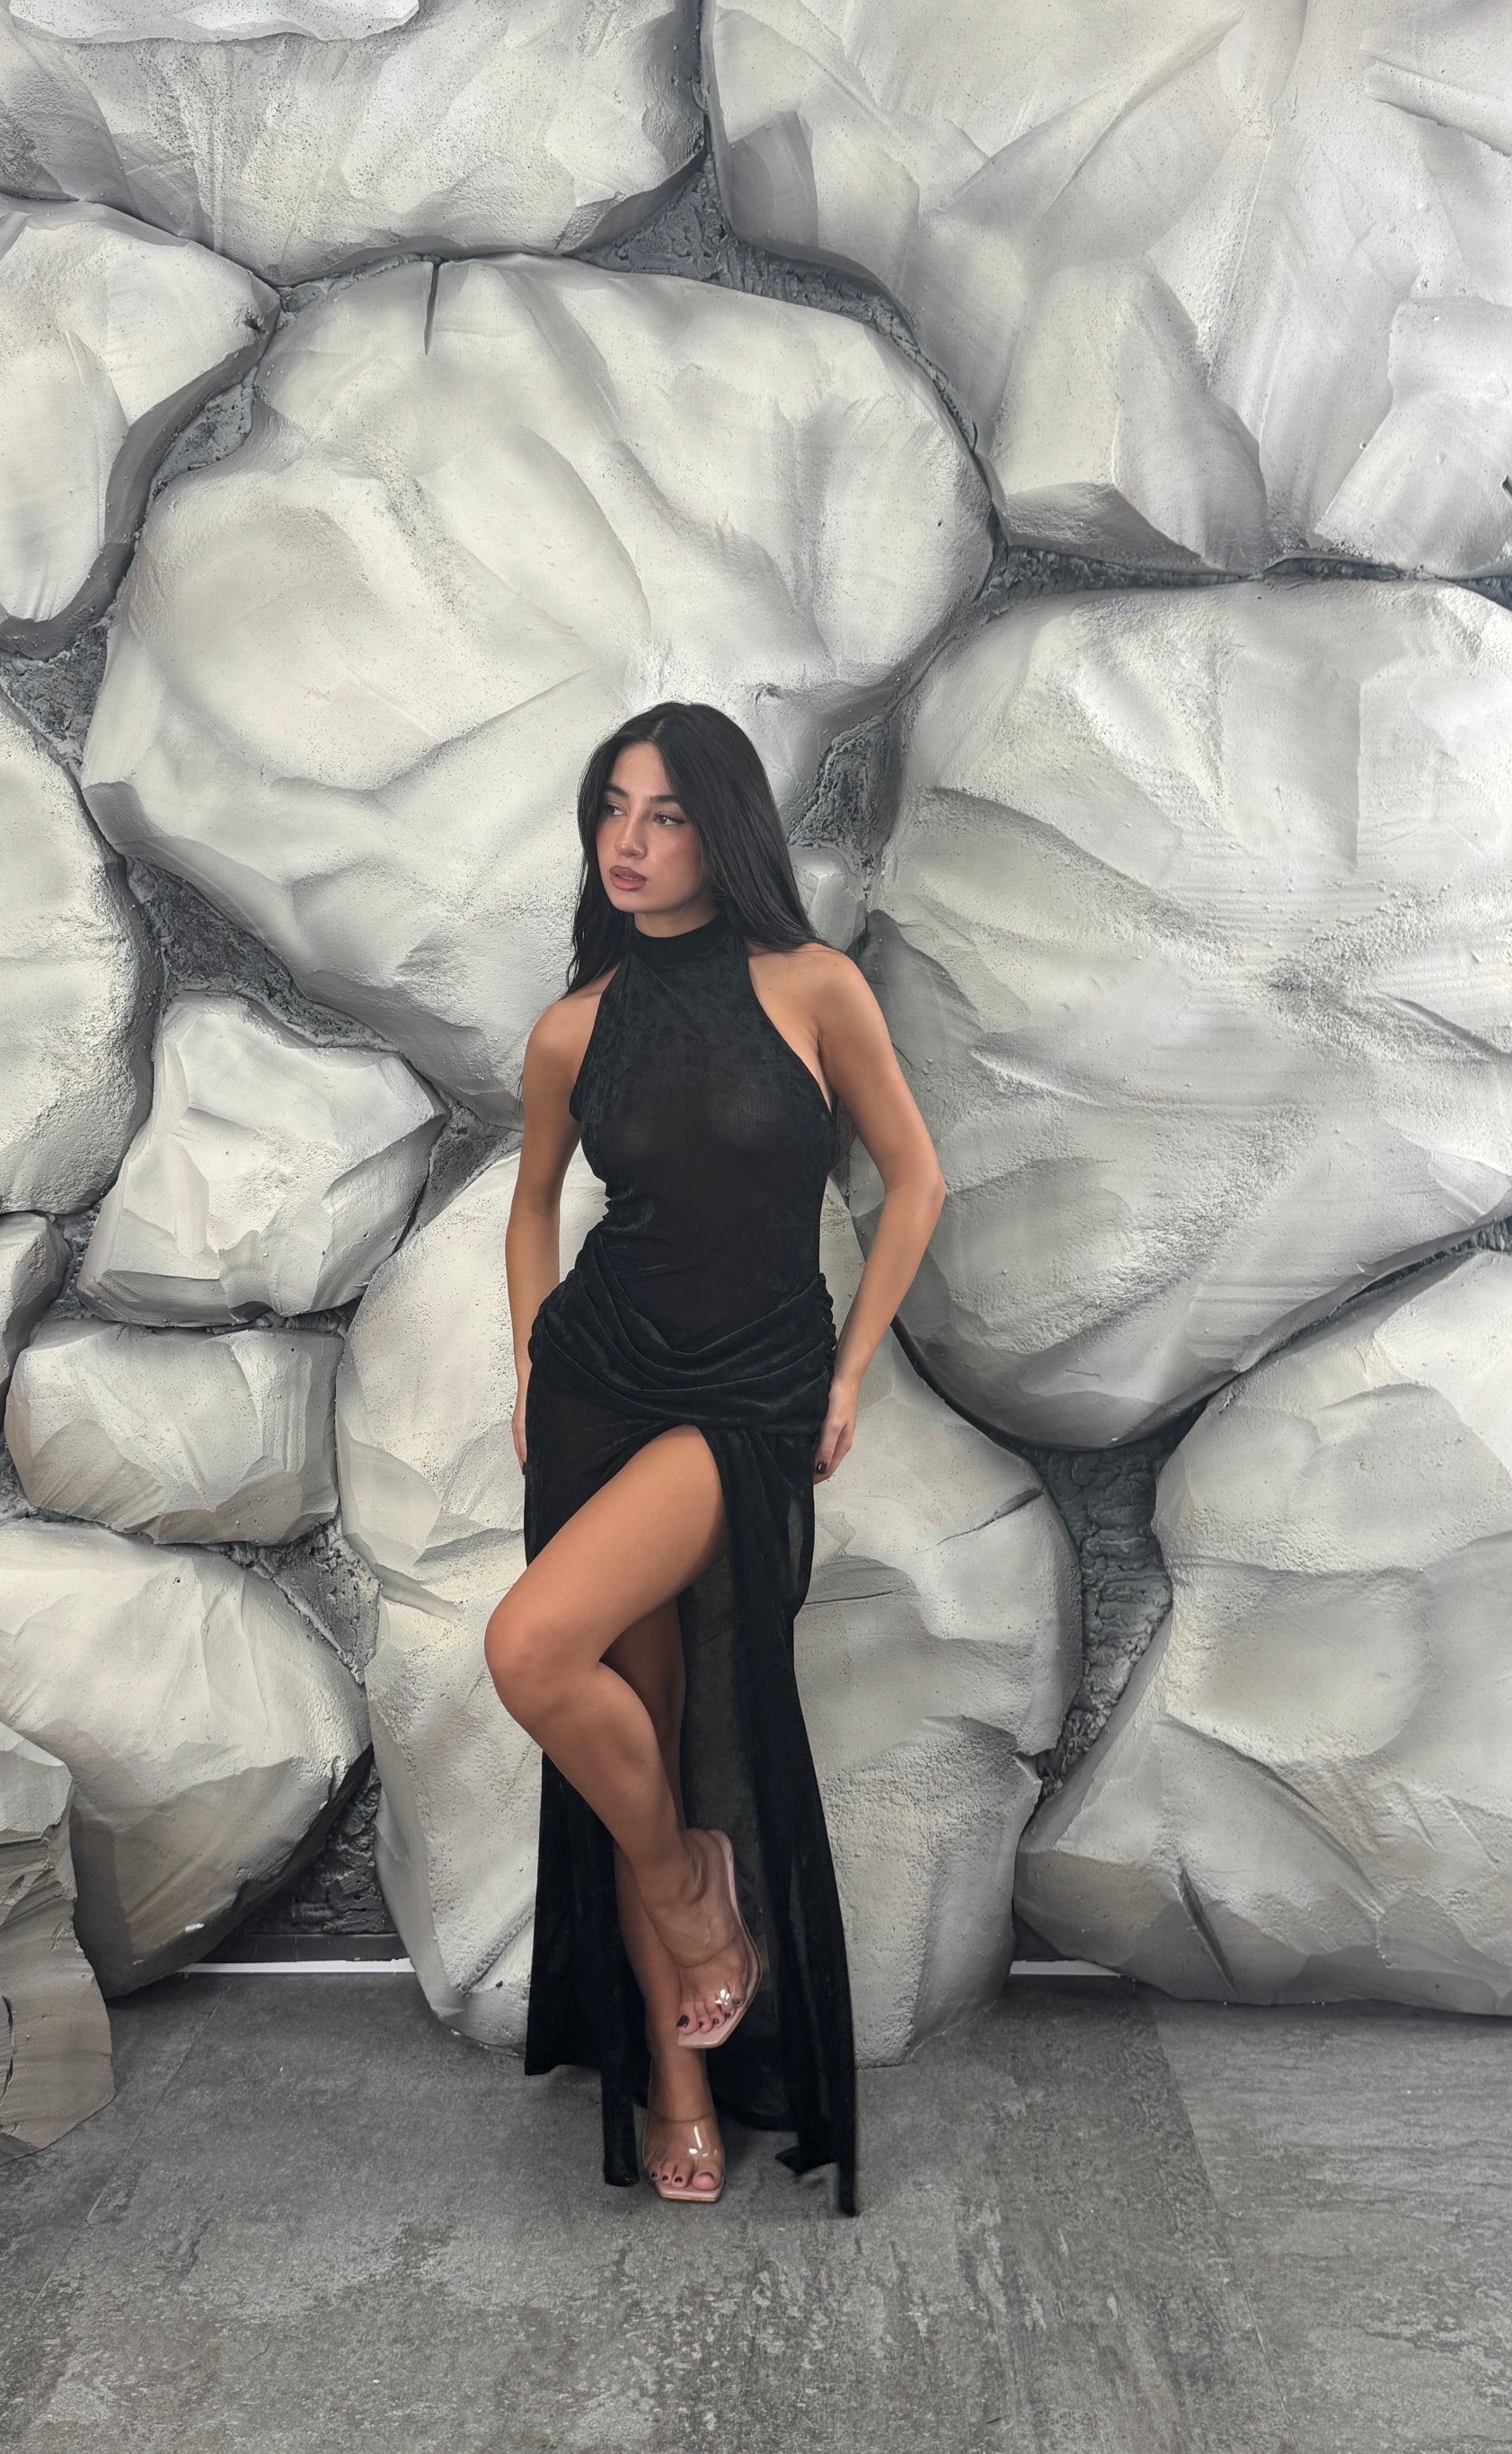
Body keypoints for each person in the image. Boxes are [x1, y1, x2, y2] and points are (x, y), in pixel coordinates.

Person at [485, 701, 945, 2214]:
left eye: (666, 813)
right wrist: (530, 1358)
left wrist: (851, 1368)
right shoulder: (574, 1028)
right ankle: (675, 2080)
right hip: (599, 1386)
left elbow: (914, 1178)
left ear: (722, 829)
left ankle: (694, 1885)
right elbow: (534, 1204)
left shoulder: (813, 987)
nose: (628, 842)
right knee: (639, 1730)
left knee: (529, 1651)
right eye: (611, 808)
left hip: (744, 1397)